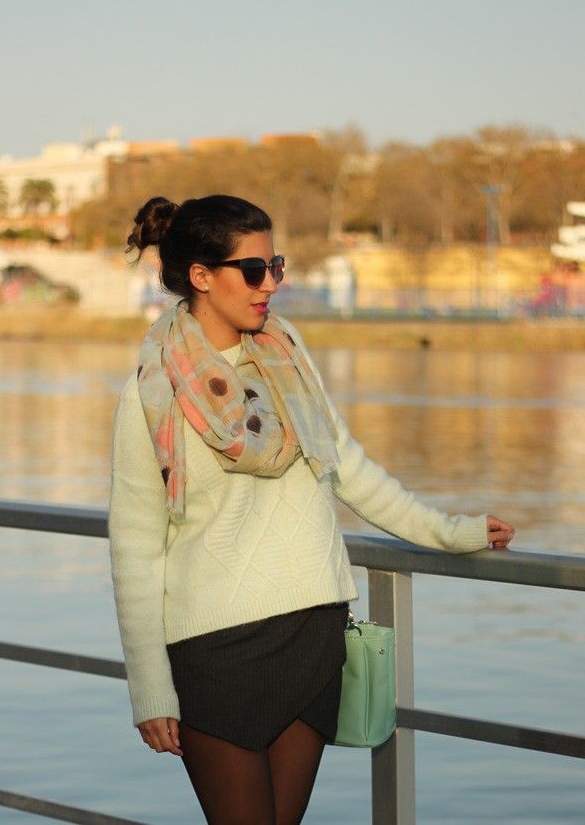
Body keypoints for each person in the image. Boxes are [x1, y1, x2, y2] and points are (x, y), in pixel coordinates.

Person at [108, 194, 515, 825]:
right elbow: (136, 547)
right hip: (215, 651)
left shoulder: (286, 353)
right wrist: (150, 686)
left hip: (314, 633)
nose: (272, 284)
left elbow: (347, 466)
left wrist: (451, 531)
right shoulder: (150, 394)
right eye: (254, 270)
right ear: (201, 276)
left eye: (275, 266)